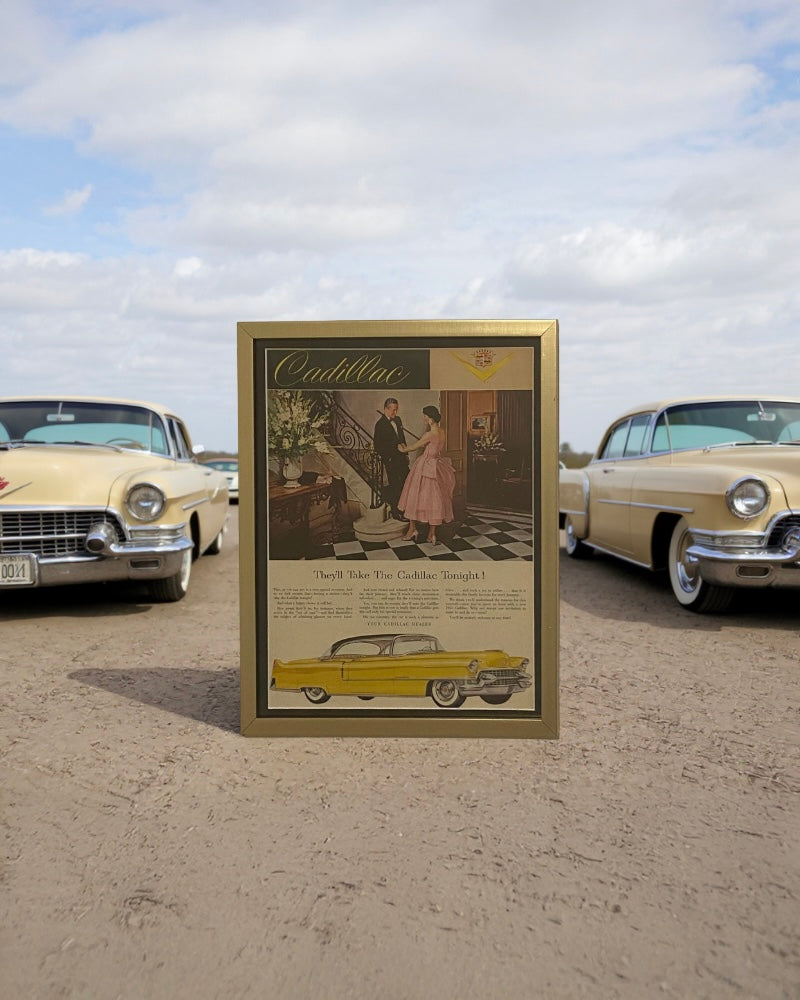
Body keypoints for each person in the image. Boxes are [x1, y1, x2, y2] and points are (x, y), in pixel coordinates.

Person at [396, 405, 455, 545]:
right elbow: (433, 447)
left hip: (426, 465)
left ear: (430, 419)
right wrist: (426, 445)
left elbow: (413, 447)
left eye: (425, 416)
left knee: (414, 497)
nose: (424, 419)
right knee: (434, 500)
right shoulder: (442, 432)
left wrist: (402, 448)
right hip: (436, 465)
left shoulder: (430, 434)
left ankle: (412, 530)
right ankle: (431, 535)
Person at [373, 397, 409, 521]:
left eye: (396, 410)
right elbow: (378, 447)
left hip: (402, 459)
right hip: (391, 460)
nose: (395, 413)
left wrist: (405, 452)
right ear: (385, 409)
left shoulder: (398, 420)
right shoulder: (380, 425)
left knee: (407, 484)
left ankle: (407, 510)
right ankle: (396, 512)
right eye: (393, 410)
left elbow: (401, 437)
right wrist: (395, 447)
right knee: (395, 486)